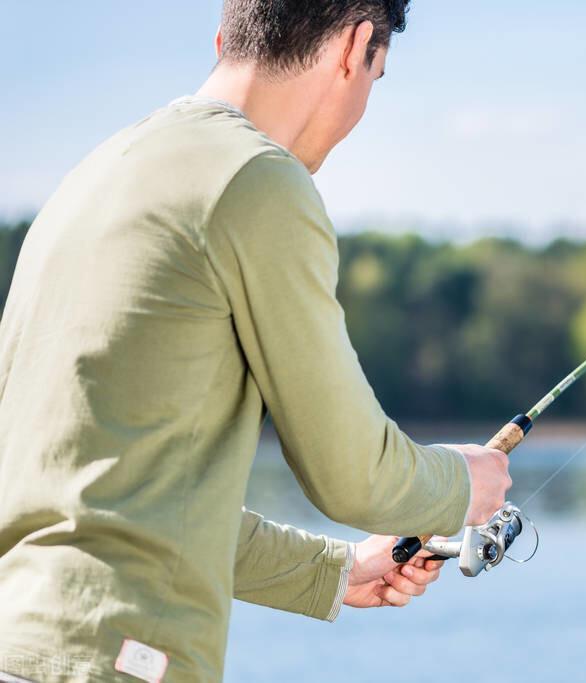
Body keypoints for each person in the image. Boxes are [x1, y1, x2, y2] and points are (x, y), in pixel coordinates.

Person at [0, 1, 513, 681]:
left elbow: (112, 498)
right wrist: (464, 483)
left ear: (226, 37)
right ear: (354, 47)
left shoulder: (92, 178)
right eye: (376, 75)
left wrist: (336, 571)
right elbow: (352, 471)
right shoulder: (257, 179)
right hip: (122, 661)